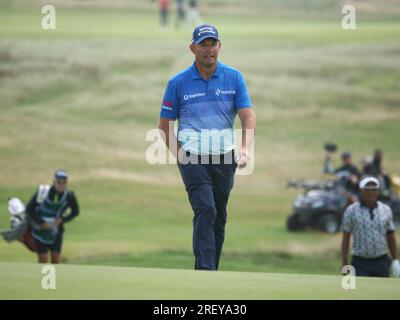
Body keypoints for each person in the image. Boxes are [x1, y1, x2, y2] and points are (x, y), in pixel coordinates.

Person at [158, 24, 256, 270]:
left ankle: (212, 269)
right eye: (203, 44)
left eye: (213, 44)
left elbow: (248, 116)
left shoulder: (234, 77)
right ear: (193, 48)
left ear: (219, 46)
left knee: (219, 216)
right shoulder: (177, 82)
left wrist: (245, 149)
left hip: (225, 158)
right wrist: (180, 156)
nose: (209, 50)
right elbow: (164, 126)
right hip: (193, 157)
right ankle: (205, 270)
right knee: (206, 209)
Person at [340, 176, 400, 277]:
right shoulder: (351, 211)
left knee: (381, 291)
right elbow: (346, 237)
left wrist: (395, 259)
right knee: (361, 291)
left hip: (381, 261)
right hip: (360, 262)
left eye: (374, 189)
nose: (371, 192)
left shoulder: (386, 210)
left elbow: (390, 235)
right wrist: (345, 262)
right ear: (361, 191)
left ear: (378, 191)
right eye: (367, 190)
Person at [26, 170, 79, 264]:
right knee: (43, 258)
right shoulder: (43, 192)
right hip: (40, 230)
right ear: (54, 182)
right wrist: (42, 222)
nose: (61, 185)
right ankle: (40, 277)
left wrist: (62, 219)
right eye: (59, 182)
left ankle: (54, 278)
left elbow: (75, 212)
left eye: (64, 182)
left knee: (55, 258)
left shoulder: (69, 196)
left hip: (56, 231)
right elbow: (29, 209)